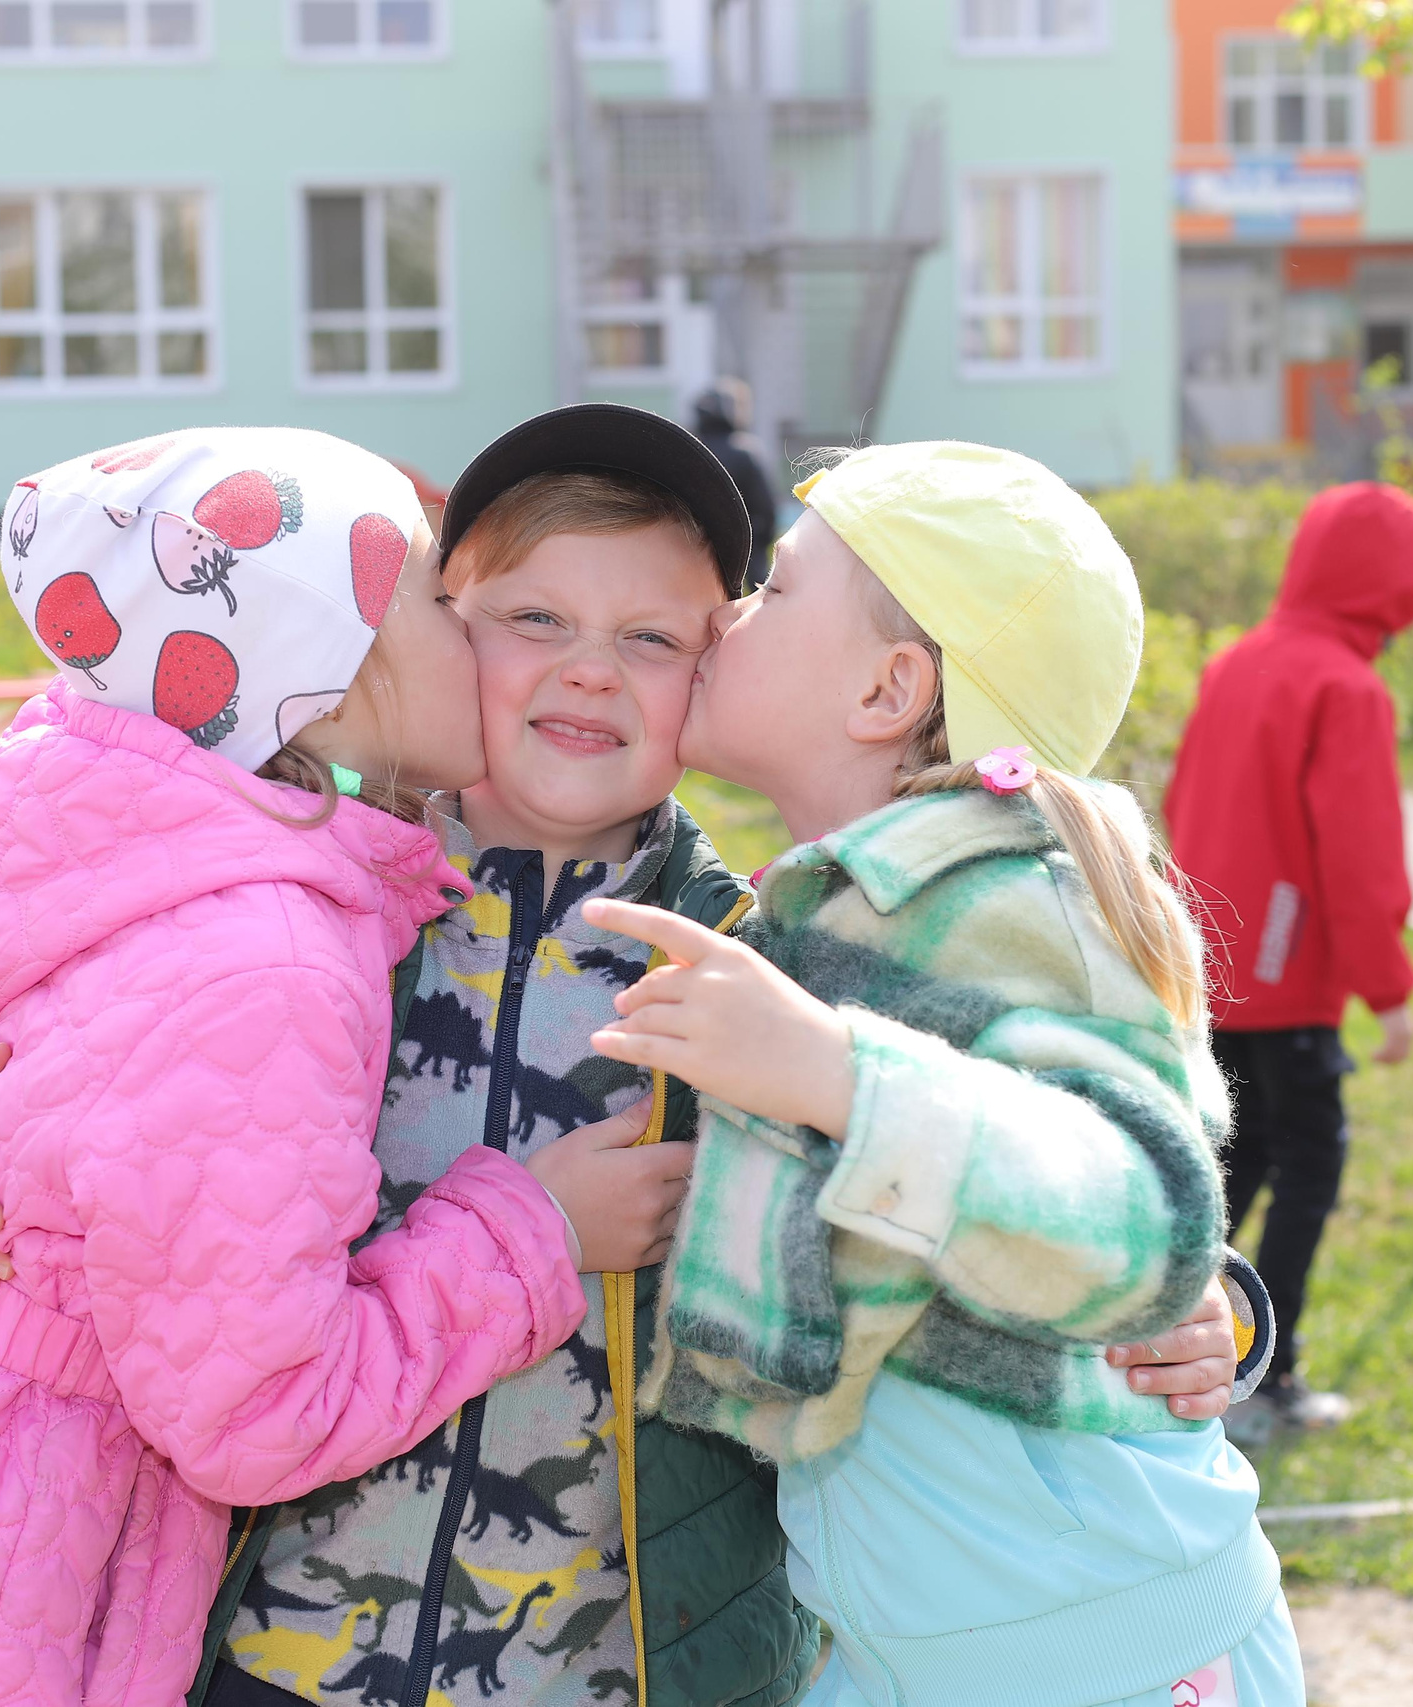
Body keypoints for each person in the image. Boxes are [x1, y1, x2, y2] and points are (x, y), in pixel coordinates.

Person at [0, 408, 1250, 1707]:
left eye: (656, 637)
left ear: (715, 675)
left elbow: (1015, 1150)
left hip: (630, 1661)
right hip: (273, 1646)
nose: (588, 666)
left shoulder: (760, 972)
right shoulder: (307, 909)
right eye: (531, 616)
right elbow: (96, 1076)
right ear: (432, 630)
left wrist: (1208, 1308)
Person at [0, 429, 613, 1707]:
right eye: (435, 599)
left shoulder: (180, 859)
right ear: (324, 668)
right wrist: (530, 1233)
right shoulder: (270, 964)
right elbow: (258, 1412)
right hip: (12, 1567)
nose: (476, 636)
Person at [588, 440, 1299, 1707]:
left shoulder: (1013, 904)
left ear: (888, 689)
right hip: (906, 1645)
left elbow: (1141, 1211)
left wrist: (838, 1078)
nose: (720, 615)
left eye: (773, 590)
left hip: (1096, 1659)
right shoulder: (824, 916)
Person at [1163, 481, 1413, 1434]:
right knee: (1308, 1160)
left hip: (1214, 961)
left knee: (1229, 1160)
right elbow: (1360, 857)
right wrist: (1390, 990)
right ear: (1385, 594)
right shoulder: (1347, 688)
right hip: (1288, 977)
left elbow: (1183, 799)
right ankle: (1268, 1370)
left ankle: (1167, 1333)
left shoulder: (1240, 662)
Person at [693, 380, 777, 586]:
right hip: (747, 539)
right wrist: (761, 537)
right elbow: (765, 506)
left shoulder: (691, 449)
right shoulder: (745, 450)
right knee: (759, 595)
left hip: (697, 542)